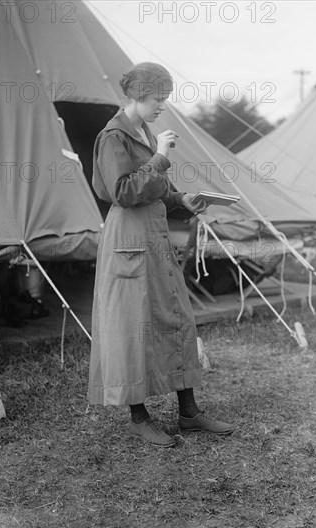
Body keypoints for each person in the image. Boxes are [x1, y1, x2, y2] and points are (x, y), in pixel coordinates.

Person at [88, 62, 234, 447]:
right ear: (138, 96)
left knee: (175, 316)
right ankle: (139, 417)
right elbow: (123, 191)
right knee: (133, 325)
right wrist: (161, 156)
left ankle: (189, 413)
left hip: (153, 235)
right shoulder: (112, 137)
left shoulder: (142, 131)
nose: (161, 107)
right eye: (158, 99)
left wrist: (181, 199)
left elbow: (153, 188)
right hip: (129, 240)